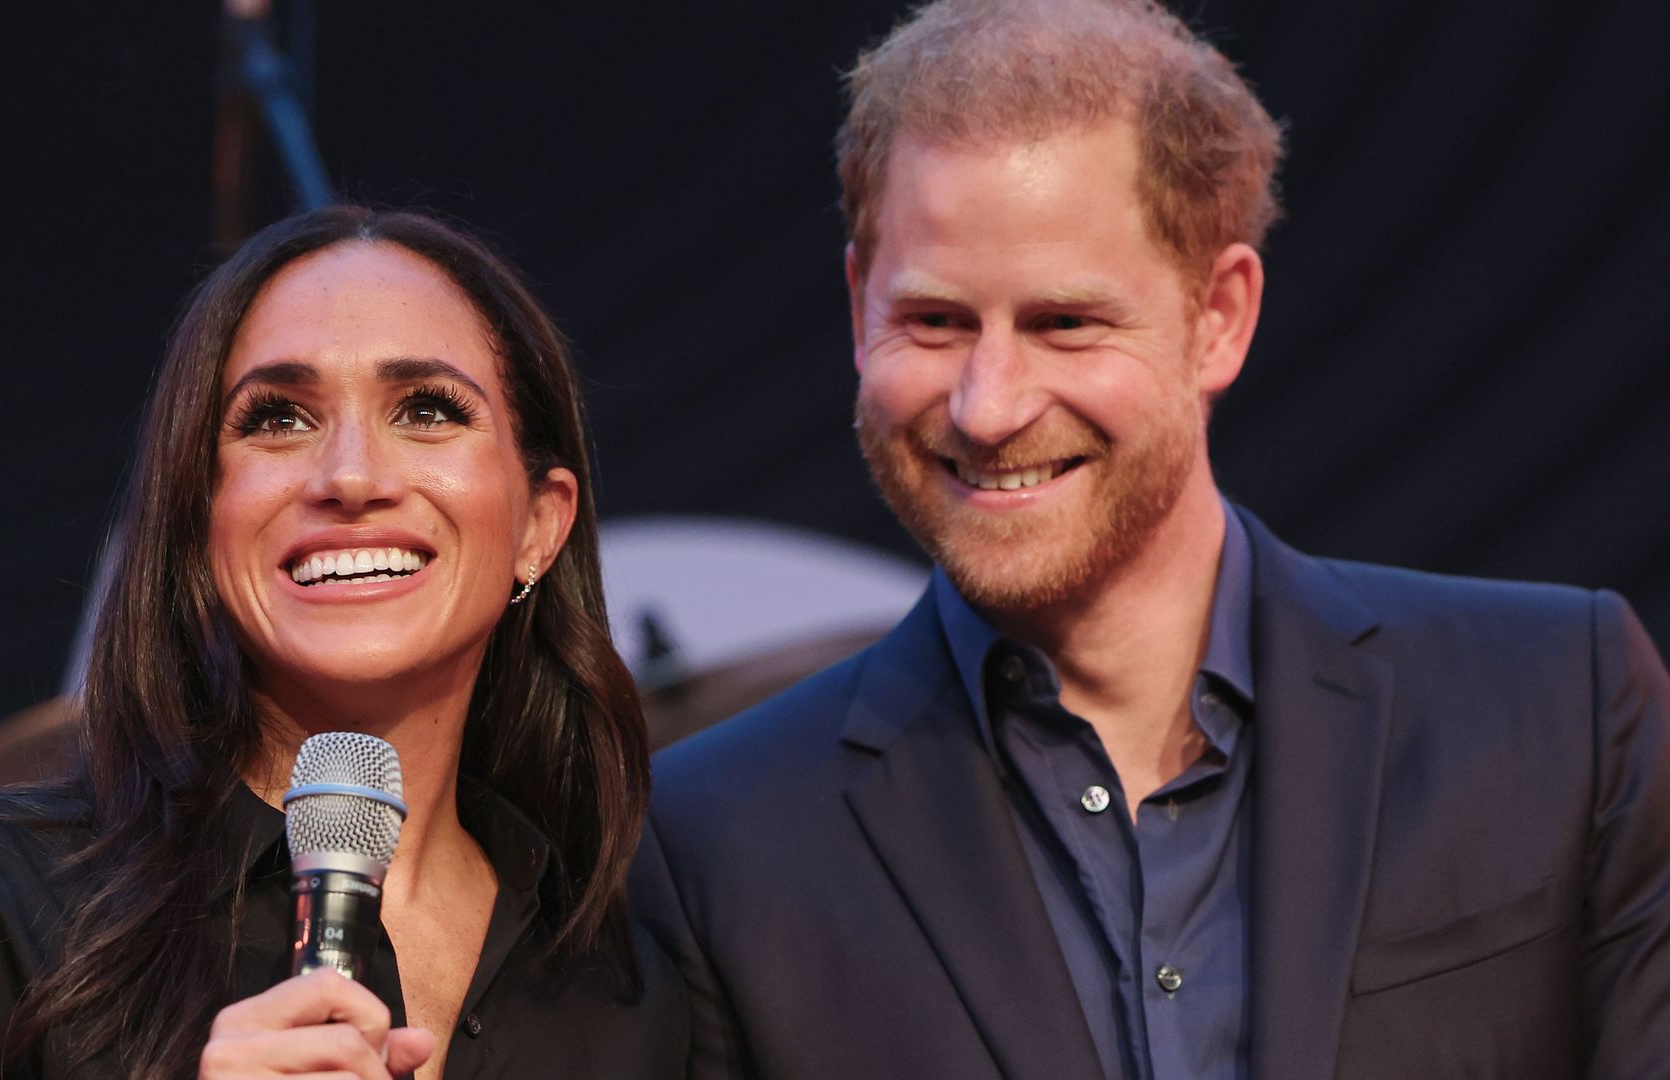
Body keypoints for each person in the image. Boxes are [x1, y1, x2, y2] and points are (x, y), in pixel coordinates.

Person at [630, 1, 1670, 1078]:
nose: (988, 406)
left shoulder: (1560, 712)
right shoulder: (714, 848)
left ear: (1218, 315)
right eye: (935, 322)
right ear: (859, 308)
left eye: (1064, 323)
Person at [0, 206, 686, 1080]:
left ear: (539, 523)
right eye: (276, 420)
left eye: (427, 409)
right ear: (197, 519)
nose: (351, 477)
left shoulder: (641, 979)